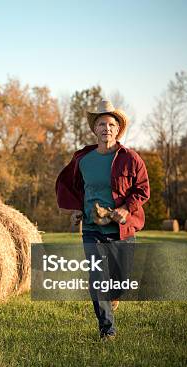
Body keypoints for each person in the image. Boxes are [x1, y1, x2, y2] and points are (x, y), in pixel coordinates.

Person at [55, 100, 150, 340]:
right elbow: (69, 185)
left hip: (122, 230)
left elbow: (142, 189)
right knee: (98, 279)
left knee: (122, 282)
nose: (106, 128)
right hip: (91, 229)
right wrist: (76, 209)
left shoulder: (131, 158)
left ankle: (115, 296)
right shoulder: (82, 159)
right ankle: (107, 329)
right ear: (94, 129)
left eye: (110, 124)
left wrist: (127, 209)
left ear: (117, 129)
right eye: (101, 124)